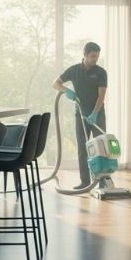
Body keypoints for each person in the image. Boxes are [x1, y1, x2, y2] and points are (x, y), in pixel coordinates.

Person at [52, 42, 107, 190]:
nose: (95, 59)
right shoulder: (74, 70)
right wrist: (66, 91)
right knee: (83, 149)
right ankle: (85, 182)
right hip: (81, 115)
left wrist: (95, 113)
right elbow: (55, 84)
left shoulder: (101, 72)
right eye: (93, 56)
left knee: (100, 147)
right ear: (85, 55)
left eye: (97, 56)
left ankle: (102, 181)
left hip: (97, 115)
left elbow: (101, 96)